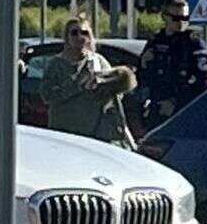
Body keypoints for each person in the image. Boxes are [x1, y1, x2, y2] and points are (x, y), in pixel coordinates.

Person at [40, 18, 138, 147]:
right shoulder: (56, 64)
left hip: (96, 135)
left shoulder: (98, 61)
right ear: (67, 37)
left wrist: (111, 82)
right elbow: (47, 96)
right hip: (65, 133)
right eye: (74, 33)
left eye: (84, 33)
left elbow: (115, 93)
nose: (80, 36)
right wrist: (77, 84)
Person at [137, 0, 207, 129]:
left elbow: (202, 81)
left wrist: (176, 102)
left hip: (183, 109)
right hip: (156, 106)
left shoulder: (193, 43)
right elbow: (143, 76)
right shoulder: (156, 41)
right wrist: (143, 64)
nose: (181, 23)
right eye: (176, 18)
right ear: (164, 17)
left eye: (185, 18)